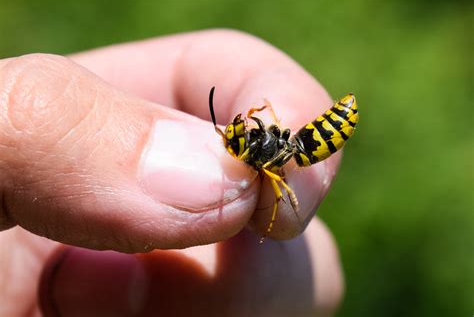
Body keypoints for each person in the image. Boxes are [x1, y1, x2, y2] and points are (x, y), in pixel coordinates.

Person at [0, 29, 343, 316]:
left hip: (307, 144)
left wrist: (275, 219)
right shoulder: (255, 151)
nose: (233, 133)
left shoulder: (266, 158)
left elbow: (272, 148)